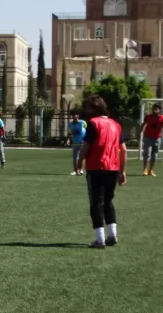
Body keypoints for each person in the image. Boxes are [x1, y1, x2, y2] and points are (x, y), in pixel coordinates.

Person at [76, 94, 127, 249]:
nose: (86, 110)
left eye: (88, 107)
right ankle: (112, 235)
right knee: (108, 202)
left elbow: (86, 146)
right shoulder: (115, 124)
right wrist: (122, 171)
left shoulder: (93, 123)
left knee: (96, 203)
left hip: (97, 168)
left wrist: (79, 163)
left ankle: (100, 240)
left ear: (94, 108)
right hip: (113, 168)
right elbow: (123, 149)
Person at [141, 103, 163, 177]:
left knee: (155, 155)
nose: (155, 110)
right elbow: (144, 123)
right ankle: (145, 169)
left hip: (157, 138)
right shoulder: (148, 117)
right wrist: (141, 131)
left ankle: (151, 170)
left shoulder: (162, 118)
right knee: (147, 153)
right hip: (148, 137)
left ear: (160, 110)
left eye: (157, 108)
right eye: (154, 108)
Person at [66, 110, 88, 176]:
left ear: (78, 115)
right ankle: (75, 170)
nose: (74, 116)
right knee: (75, 158)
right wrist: (68, 140)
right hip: (75, 143)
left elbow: (87, 130)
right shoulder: (70, 124)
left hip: (82, 142)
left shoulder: (83, 122)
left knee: (81, 157)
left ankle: (80, 170)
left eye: (75, 114)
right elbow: (69, 133)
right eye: (73, 115)